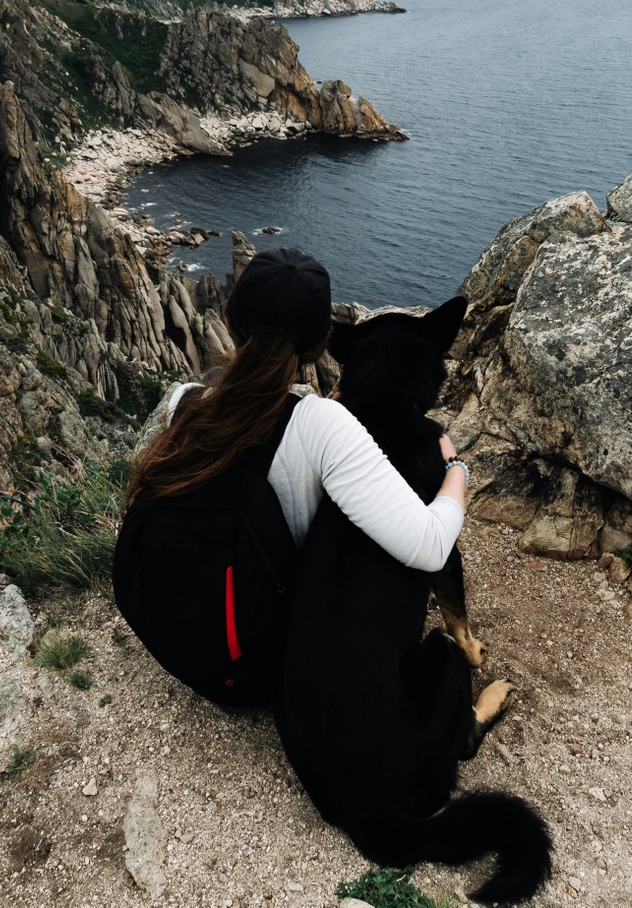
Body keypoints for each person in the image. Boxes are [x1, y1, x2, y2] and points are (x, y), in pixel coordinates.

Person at [118, 246, 468, 702]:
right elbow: (431, 545)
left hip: (171, 641)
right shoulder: (320, 424)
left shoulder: (184, 402)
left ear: (229, 321)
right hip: (261, 668)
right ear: (320, 345)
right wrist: (455, 467)